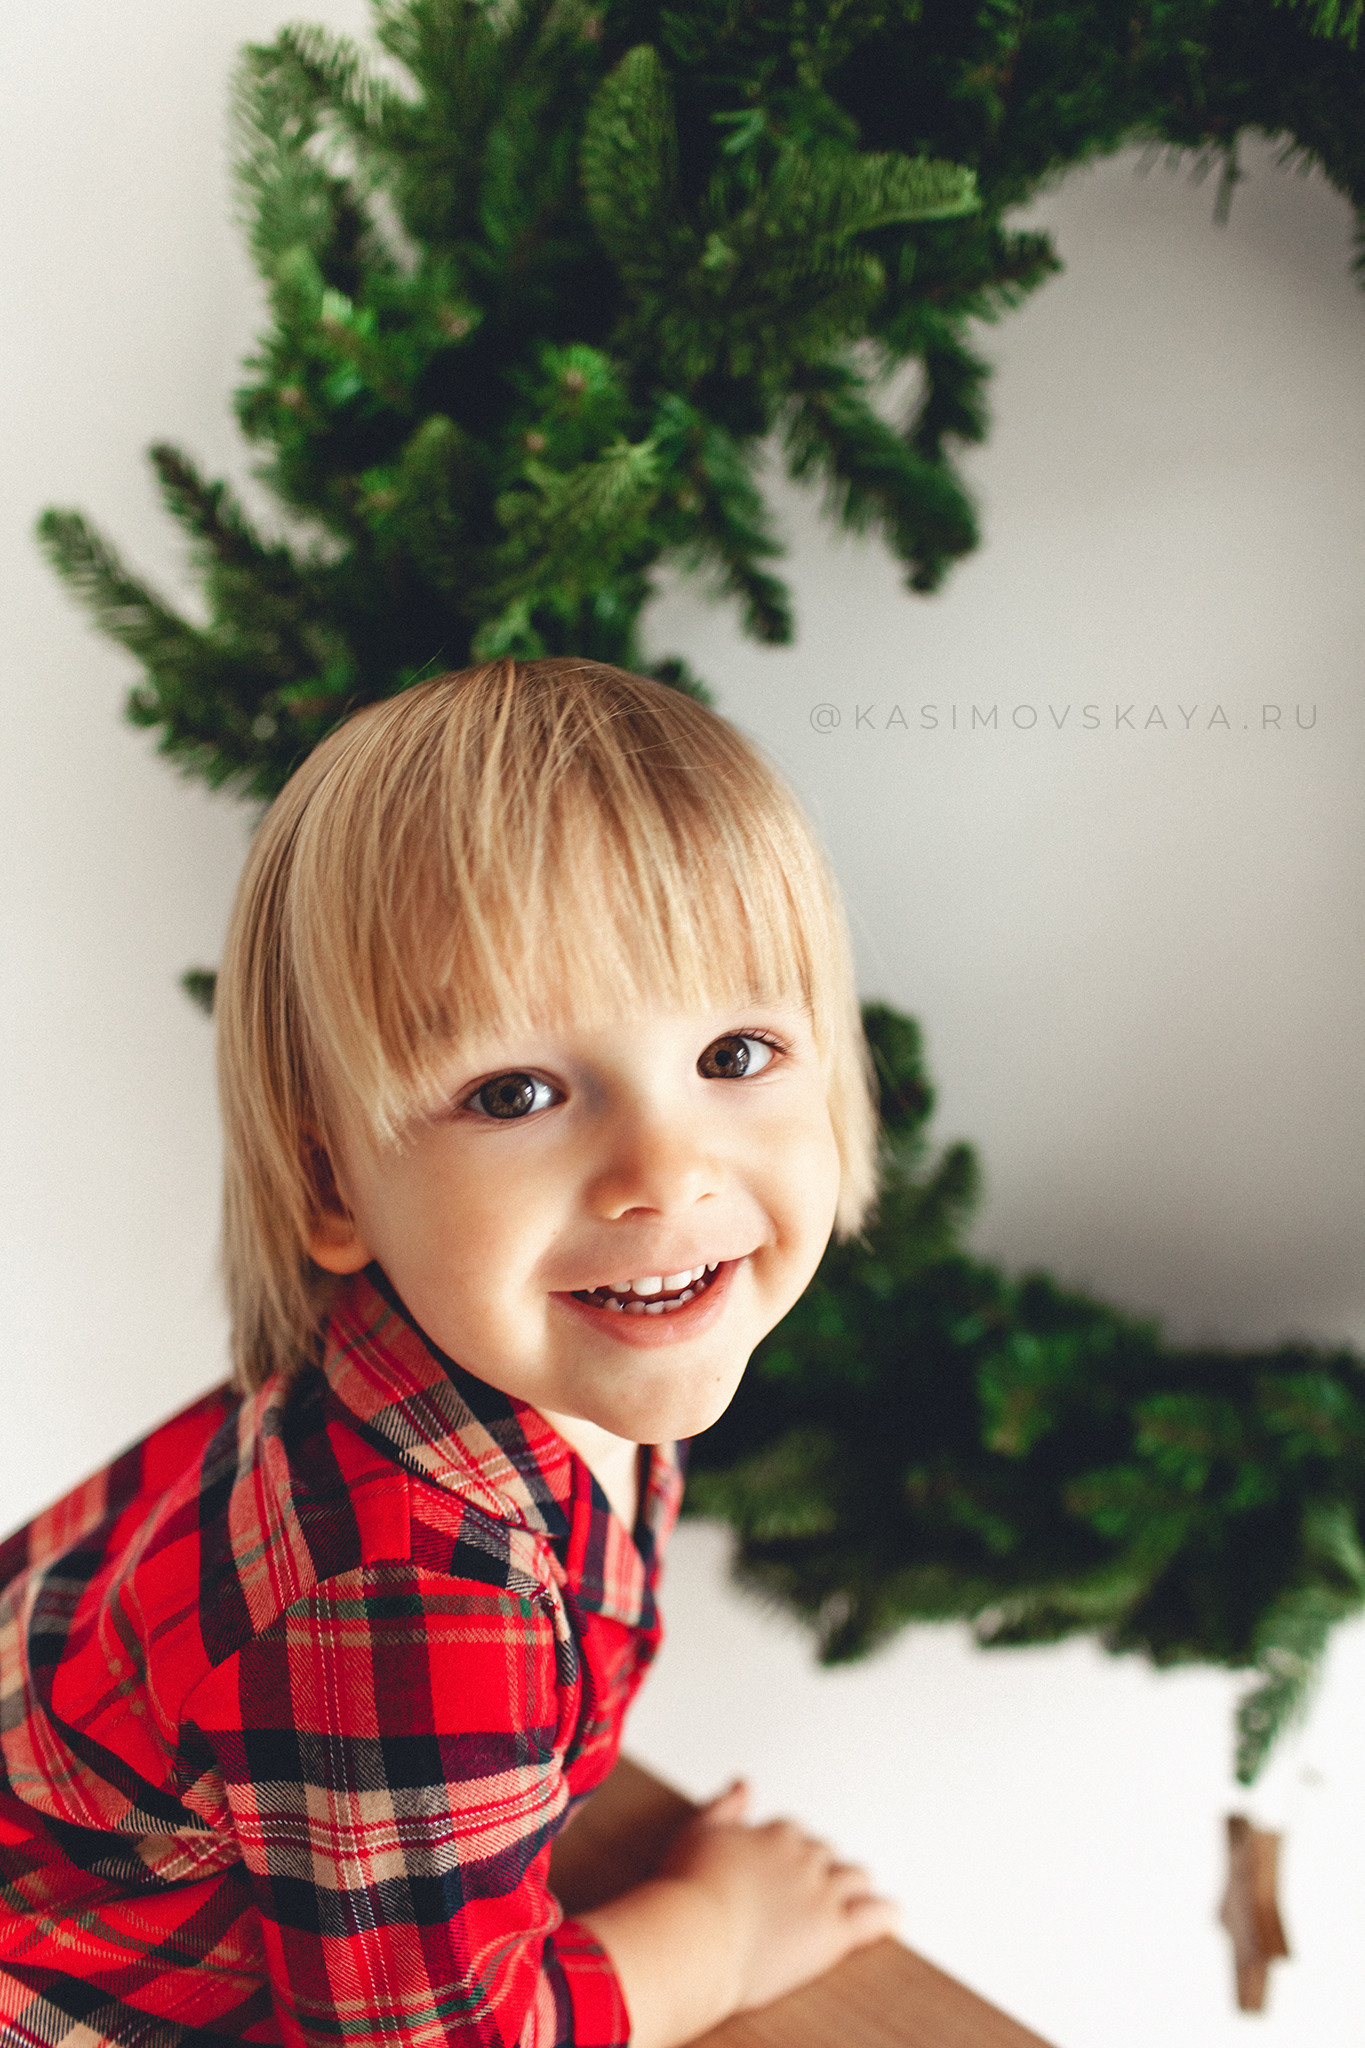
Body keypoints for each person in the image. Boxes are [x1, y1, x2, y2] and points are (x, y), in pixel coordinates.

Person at [0, 658, 897, 2048]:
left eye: (734, 1053)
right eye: (515, 1091)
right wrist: (716, 1937)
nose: (663, 1172)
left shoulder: (518, 1370)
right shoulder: (401, 1588)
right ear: (335, 1189)